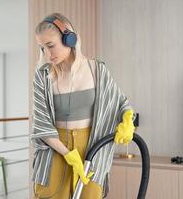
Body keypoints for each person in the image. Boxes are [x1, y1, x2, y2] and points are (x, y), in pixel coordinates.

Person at [30, 13, 135, 199]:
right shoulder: (42, 77)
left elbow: (121, 103)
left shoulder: (97, 70)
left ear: (69, 38)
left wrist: (127, 120)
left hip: (93, 149)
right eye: (42, 48)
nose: (47, 54)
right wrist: (67, 154)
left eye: (51, 46)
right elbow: (42, 125)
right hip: (56, 150)